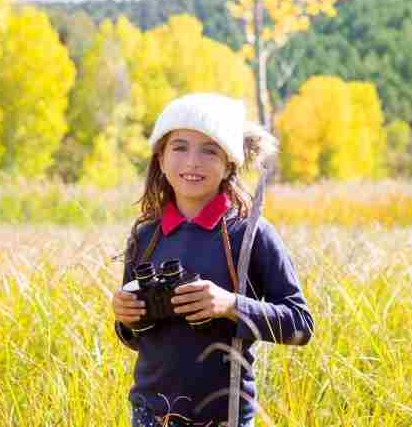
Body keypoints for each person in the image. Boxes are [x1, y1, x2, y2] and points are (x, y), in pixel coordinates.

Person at [111, 93, 314, 427]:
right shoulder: (145, 236)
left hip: (225, 416)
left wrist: (231, 304)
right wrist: (127, 319)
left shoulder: (250, 235)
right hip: (150, 414)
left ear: (229, 163)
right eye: (179, 147)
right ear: (160, 158)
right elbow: (135, 339)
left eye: (210, 150)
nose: (193, 161)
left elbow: (301, 326)